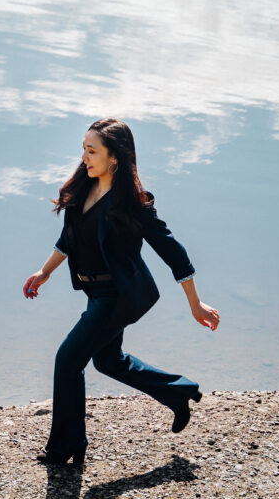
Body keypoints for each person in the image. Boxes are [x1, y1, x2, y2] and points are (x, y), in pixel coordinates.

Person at [22, 118, 220, 467]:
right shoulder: (84, 189)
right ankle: (178, 392)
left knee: (68, 360)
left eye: (92, 150)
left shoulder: (132, 204)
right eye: (83, 149)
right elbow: (69, 238)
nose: (84, 157)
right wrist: (45, 271)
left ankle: (66, 446)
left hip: (117, 297)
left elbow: (173, 252)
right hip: (95, 293)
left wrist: (195, 303)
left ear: (114, 156)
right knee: (108, 361)